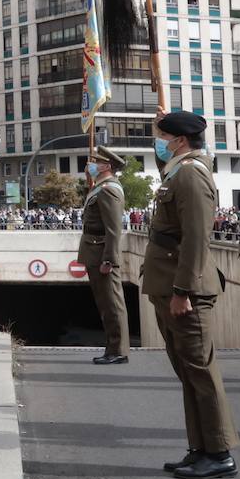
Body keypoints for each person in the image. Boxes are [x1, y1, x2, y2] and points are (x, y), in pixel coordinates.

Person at [145, 110, 240, 479]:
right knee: (188, 372)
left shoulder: (191, 175)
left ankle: (219, 453)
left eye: (164, 138)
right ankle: (200, 447)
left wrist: (182, 290)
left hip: (185, 291)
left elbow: (197, 239)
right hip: (169, 284)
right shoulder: (178, 171)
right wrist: (163, 119)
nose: (160, 144)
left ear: (180, 142)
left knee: (201, 373)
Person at [79, 145, 128, 365]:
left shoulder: (109, 189)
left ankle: (117, 350)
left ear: (106, 166)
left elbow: (113, 229)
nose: (90, 165)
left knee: (112, 303)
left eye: (94, 161)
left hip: (101, 252)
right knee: (105, 303)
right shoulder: (100, 187)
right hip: (94, 249)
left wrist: (109, 259)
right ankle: (113, 347)